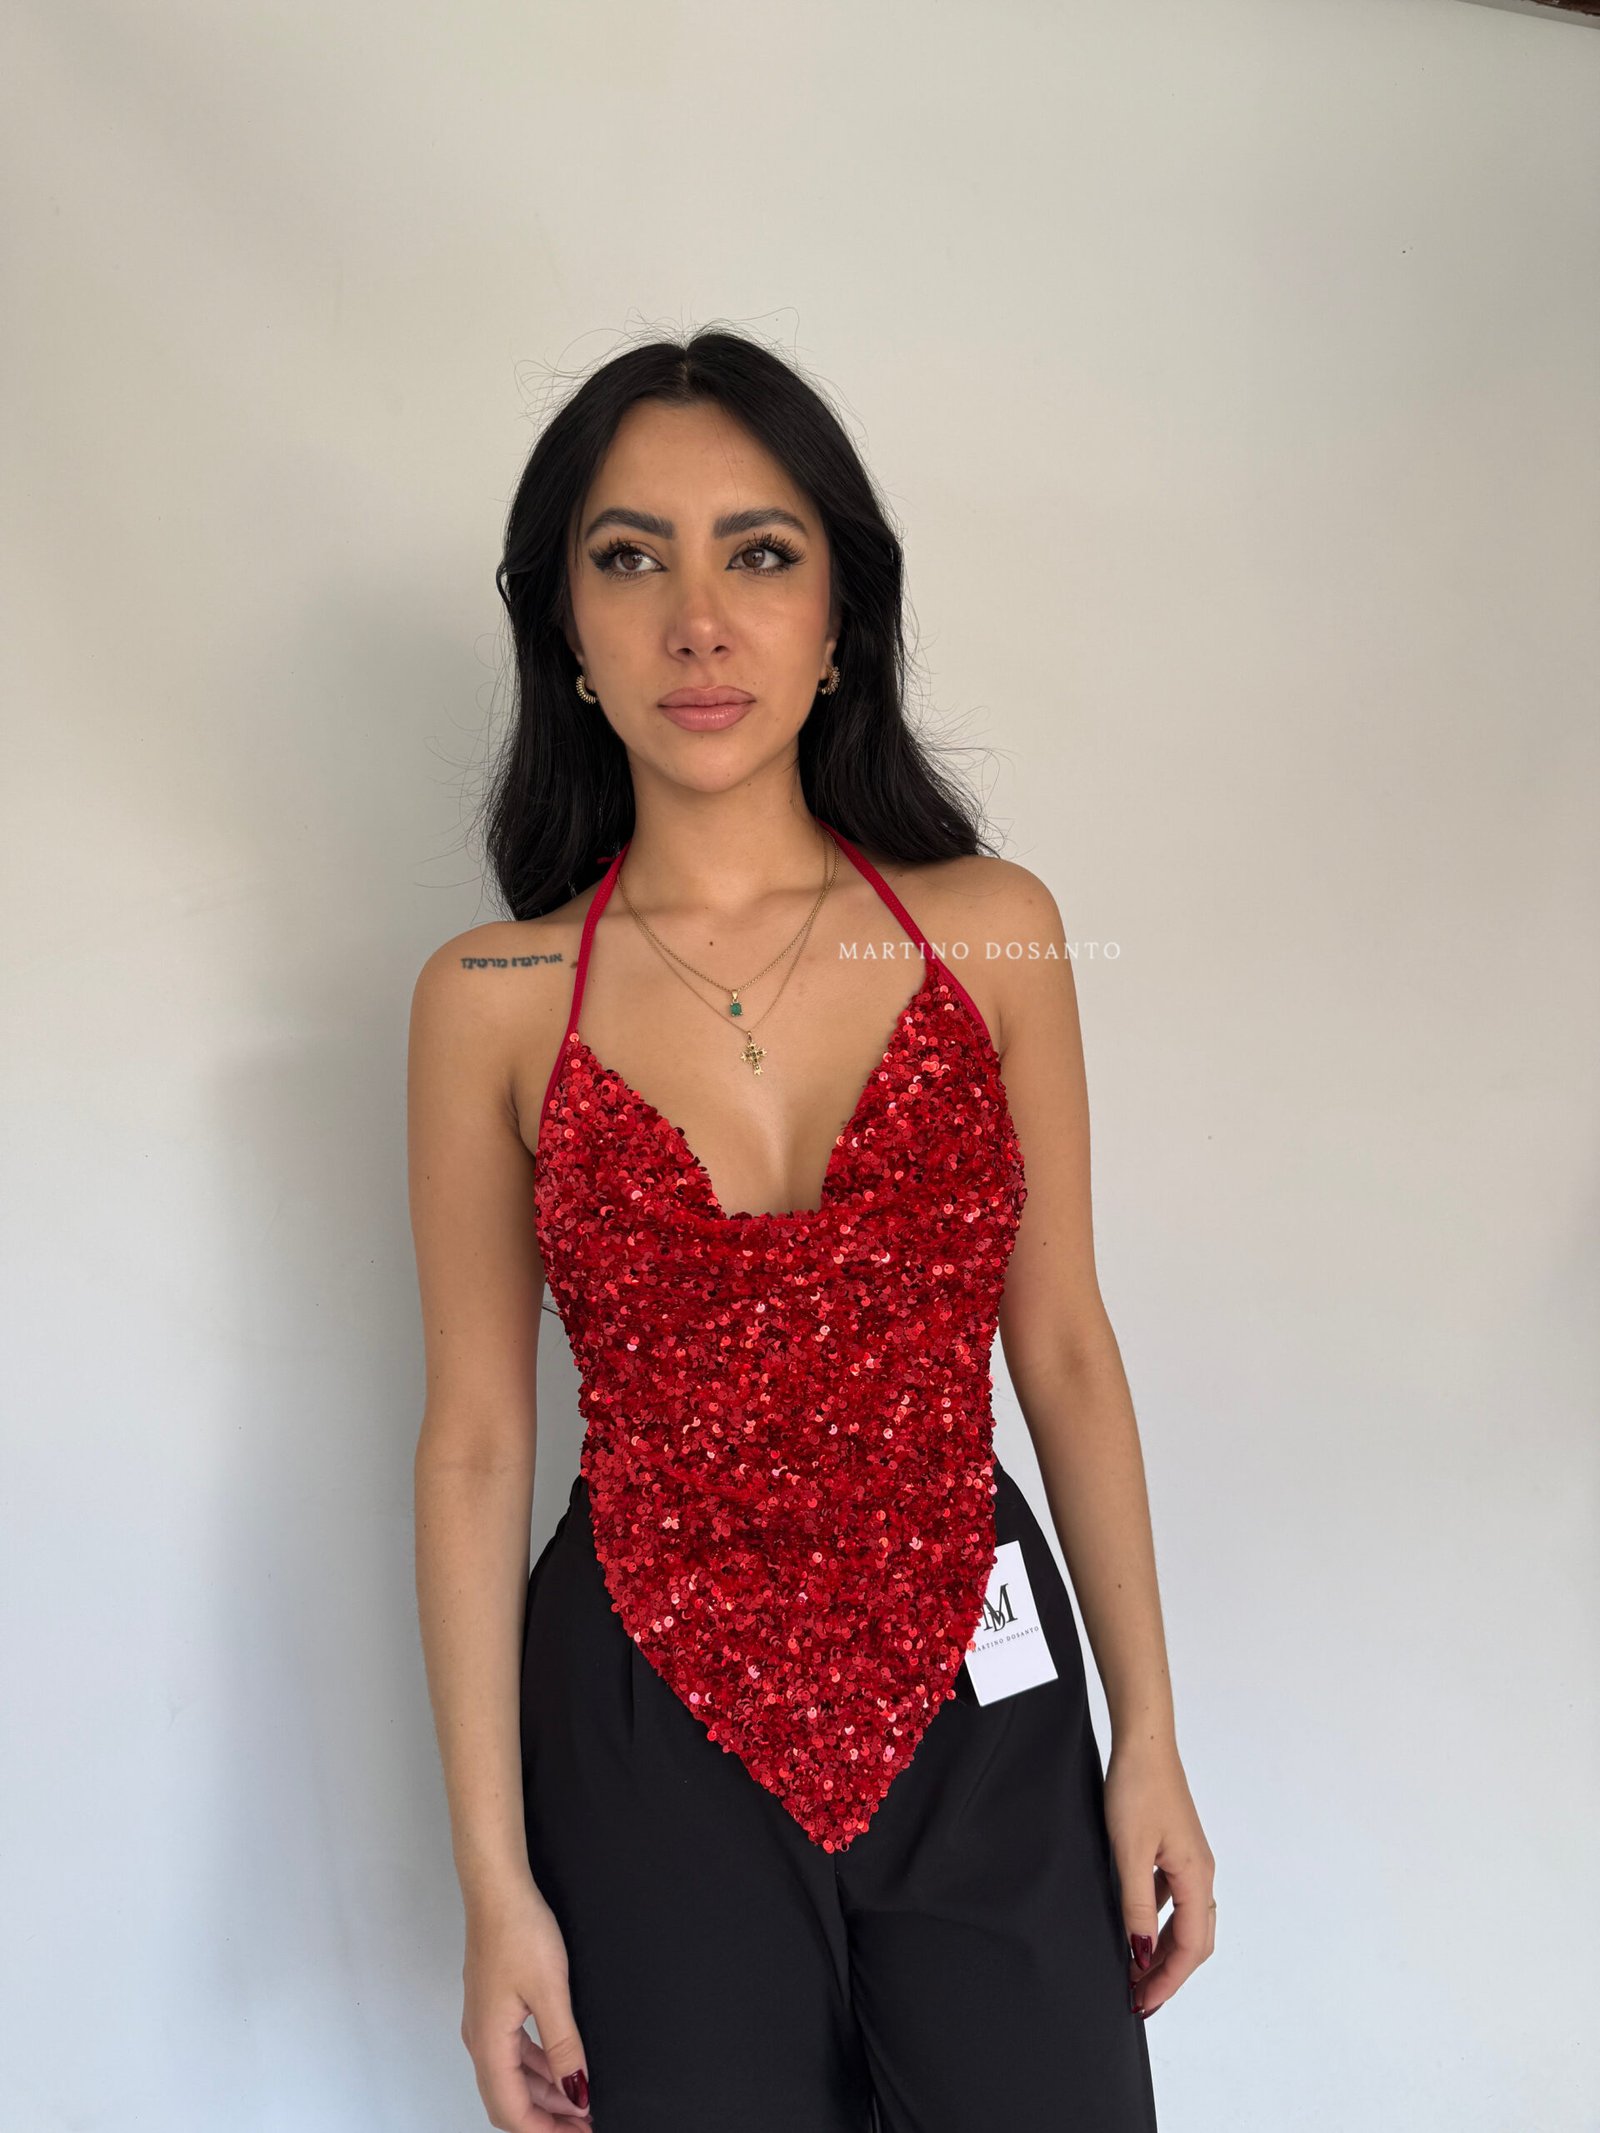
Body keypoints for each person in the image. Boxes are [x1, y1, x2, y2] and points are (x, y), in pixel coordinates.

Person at [408, 329, 1214, 2133]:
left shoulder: (994, 930)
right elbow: (471, 1443)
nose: (699, 620)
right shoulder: (490, 998)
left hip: (979, 1681)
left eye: (758, 553)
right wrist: (492, 1882)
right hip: (638, 1705)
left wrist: (1149, 1730)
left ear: (841, 613)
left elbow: (1063, 1346)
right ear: (567, 629)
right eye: (633, 558)